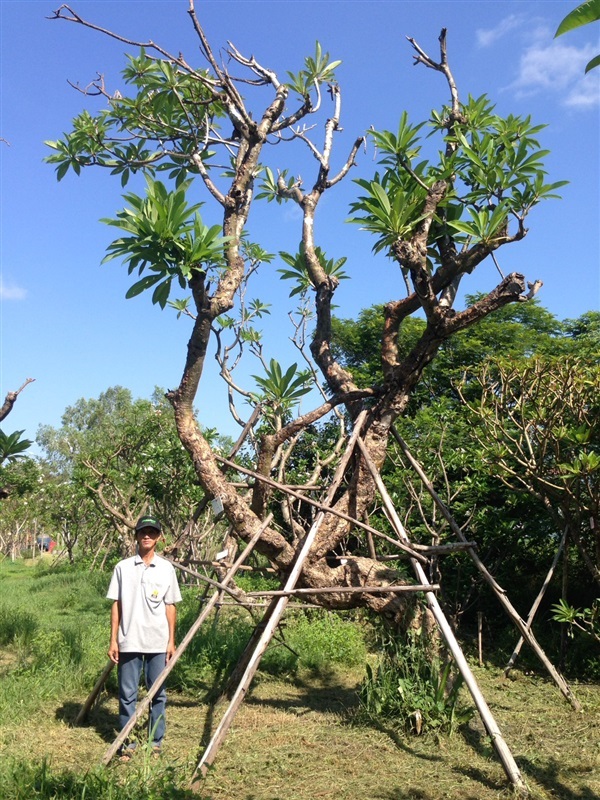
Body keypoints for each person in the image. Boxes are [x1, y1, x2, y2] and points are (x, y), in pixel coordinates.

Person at [107, 514, 182, 759]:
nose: (146, 536)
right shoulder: (123, 567)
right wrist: (114, 639)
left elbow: (170, 606)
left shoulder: (166, 568)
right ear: (136, 536)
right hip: (129, 639)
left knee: (158, 693)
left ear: (159, 537)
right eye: (142, 532)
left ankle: (155, 740)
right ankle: (127, 741)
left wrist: (171, 641)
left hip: (158, 641)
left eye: (151, 532)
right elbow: (116, 604)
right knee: (127, 693)